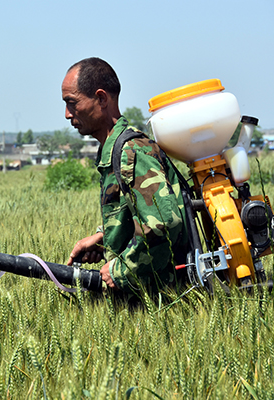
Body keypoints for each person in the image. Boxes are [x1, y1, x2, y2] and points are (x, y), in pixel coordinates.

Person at [62, 57, 189, 293]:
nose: (67, 114)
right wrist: (105, 238)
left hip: (164, 296)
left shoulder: (131, 151)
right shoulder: (112, 151)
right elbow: (139, 214)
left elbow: (163, 223)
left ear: (101, 98)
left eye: (72, 103)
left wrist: (121, 269)